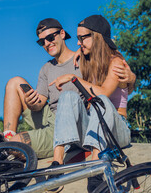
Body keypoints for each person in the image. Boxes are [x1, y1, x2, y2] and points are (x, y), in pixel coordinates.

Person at [2, 18, 135, 159]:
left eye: (50, 37)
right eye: (42, 42)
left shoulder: (87, 60)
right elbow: (39, 103)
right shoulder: (47, 68)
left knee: (15, 145)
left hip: (77, 120)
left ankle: (85, 159)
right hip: (52, 115)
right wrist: (31, 102)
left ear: (62, 34)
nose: (47, 43)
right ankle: (7, 136)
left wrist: (131, 78)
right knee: (15, 82)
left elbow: (106, 57)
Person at [49, 15, 132, 192]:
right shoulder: (87, 62)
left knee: (100, 100)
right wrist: (82, 52)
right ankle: (57, 164)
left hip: (117, 130)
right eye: (77, 39)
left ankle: (95, 168)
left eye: (82, 38)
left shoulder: (116, 62)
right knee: (68, 97)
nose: (78, 43)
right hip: (93, 128)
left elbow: (104, 93)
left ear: (97, 37)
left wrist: (73, 78)